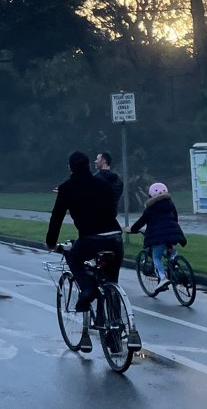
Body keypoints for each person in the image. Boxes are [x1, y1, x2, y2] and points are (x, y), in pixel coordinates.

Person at [45, 151, 128, 353]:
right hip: (115, 238)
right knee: (111, 282)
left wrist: (51, 243)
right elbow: (111, 210)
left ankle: (87, 289)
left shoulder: (66, 189)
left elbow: (56, 218)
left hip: (91, 238)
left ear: (70, 167)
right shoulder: (104, 185)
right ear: (89, 166)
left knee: (73, 257)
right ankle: (114, 339)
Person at [129, 182, 187, 293]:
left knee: (156, 257)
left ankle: (163, 278)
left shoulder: (151, 208)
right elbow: (175, 217)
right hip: (174, 233)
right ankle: (173, 259)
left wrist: (132, 229)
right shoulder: (170, 204)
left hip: (158, 237)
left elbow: (141, 222)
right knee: (169, 250)